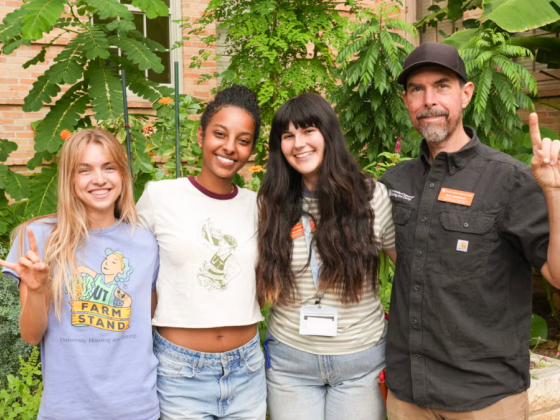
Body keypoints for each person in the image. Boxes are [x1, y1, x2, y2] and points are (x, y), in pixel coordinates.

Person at [380, 42, 560, 419]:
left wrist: (553, 194)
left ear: (466, 93)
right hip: (408, 396)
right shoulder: (395, 182)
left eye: (442, 85)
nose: (429, 99)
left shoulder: (509, 180)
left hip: (486, 398)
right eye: (417, 89)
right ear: (406, 100)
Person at [0, 129, 160, 419]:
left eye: (108, 167)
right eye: (84, 170)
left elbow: (146, 326)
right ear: (69, 180)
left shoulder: (145, 242)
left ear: (123, 175)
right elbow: (31, 335)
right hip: (68, 409)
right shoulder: (38, 238)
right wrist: (37, 290)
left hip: (135, 407)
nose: (99, 179)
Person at [257, 93, 396, 420]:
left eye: (308, 131)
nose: (298, 143)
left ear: (328, 134)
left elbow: (408, 271)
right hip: (291, 365)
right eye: (287, 136)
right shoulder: (271, 203)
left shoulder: (371, 197)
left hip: (360, 362)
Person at [136, 84, 266, 420]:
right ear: (200, 136)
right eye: (220, 134)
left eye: (243, 139)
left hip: (247, 370)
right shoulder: (159, 197)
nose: (229, 147)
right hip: (180, 373)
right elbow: (130, 268)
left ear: (252, 148)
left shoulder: (260, 206)